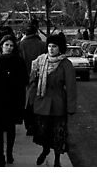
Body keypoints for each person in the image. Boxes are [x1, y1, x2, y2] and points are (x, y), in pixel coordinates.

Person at [28, 34, 76, 167]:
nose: (51, 49)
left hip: (58, 104)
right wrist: (30, 100)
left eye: (54, 46)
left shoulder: (66, 64)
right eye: (49, 46)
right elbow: (33, 82)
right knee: (43, 132)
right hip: (42, 103)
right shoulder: (40, 61)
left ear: (60, 48)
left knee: (58, 134)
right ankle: (45, 150)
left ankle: (57, 159)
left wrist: (71, 107)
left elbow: (71, 87)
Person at [0, 35, 28, 166]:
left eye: (11, 45)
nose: (9, 48)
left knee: (11, 129)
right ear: (1, 46)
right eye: (6, 45)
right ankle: (1, 155)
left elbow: (24, 80)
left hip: (13, 100)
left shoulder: (19, 61)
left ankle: (9, 153)